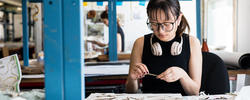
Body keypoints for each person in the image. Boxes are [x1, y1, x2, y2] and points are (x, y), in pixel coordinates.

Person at [125, 0, 202, 96]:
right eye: (154, 24)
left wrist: (182, 75)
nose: (161, 31)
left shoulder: (192, 43)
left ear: (178, 19)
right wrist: (132, 78)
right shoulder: (140, 43)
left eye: (167, 24)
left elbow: (194, 92)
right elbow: (130, 92)